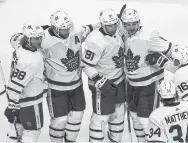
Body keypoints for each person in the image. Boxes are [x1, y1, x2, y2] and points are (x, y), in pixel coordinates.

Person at [41, 10, 99, 142]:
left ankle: (70, 141)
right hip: (56, 88)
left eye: (68, 28)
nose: (66, 32)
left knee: (77, 116)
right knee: (59, 121)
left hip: (76, 85)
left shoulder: (76, 31)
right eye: (63, 29)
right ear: (54, 28)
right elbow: (21, 44)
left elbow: (90, 28)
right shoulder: (44, 40)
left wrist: (105, 22)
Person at [121, 9, 172, 142]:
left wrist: (182, 63)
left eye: (134, 23)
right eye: (127, 24)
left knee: (147, 119)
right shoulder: (123, 34)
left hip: (149, 83)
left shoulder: (150, 35)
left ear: (139, 22)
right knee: (135, 116)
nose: (131, 27)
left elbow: (170, 50)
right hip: (131, 83)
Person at [81, 9, 125, 142]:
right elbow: (86, 64)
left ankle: (116, 140)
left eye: (114, 24)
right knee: (101, 117)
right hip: (103, 83)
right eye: (109, 25)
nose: (112, 28)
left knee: (118, 115)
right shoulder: (94, 40)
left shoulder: (118, 29)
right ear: (102, 25)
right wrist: (98, 79)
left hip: (119, 80)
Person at [5, 22, 46, 142]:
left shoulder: (18, 43)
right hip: (30, 99)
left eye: (40, 37)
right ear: (27, 39)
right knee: (33, 131)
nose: (38, 41)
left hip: (18, 98)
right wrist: (12, 106)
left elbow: (14, 37)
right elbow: (16, 85)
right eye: (34, 38)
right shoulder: (29, 61)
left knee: (17, 127)